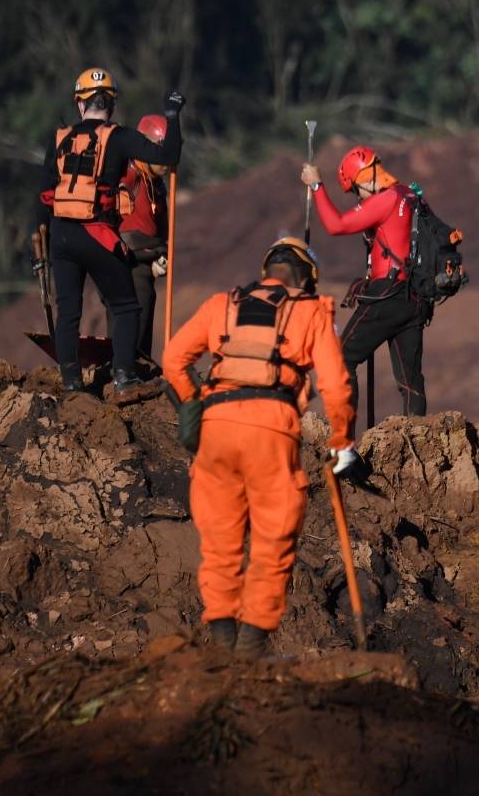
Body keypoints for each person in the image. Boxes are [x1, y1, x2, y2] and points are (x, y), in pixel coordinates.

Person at [161, 237, 357, 658]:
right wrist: (340, 440)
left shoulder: (221, 305)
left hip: (214, 428)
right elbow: (337, 387)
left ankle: (222, 647)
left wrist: (194, 409)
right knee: (272, 540)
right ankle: (250, 650)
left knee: (219, 544)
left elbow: (173, 359)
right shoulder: (311, 310)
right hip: (272, 428)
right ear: (306, 279)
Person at [32, 67, 183, 393]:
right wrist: (172, 114)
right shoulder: (118, 136)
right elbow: (168, 154)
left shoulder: (59, 137)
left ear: (79, 104)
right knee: (127, 306)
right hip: (96, 232)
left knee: (69, 309)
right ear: (111, 105)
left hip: (61, 234)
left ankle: (71, 382)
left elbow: (44, 194)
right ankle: (124, 376)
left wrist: (40, 238)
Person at [300, 146, 427, 433]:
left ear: (365, 178)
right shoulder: (408, 194)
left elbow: (336, 224)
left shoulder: (386, 199)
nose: (358, 198)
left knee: (342, 357)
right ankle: (418, 440)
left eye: (355, 190)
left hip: (388, 295)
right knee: (410, 379)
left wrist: (317, 186)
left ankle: (343, 439)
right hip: (415, 298)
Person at [106, 113, 172, 363]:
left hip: (147, 265)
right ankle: (122, 372)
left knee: (144, 321)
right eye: (160, 151)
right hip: (127, 263)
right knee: (130, 323)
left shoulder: (158, 185)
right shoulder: (126, 176)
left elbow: (161, 226)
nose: (165, 161)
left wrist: (162, 253)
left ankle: (137, 368)